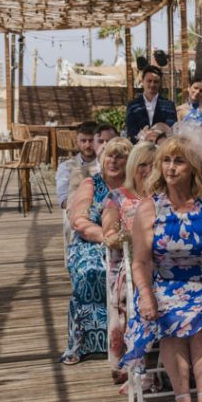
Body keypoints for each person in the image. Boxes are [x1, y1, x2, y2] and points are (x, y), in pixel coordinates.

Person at [122, 133, 202, 402]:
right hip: (163, 285)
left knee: (199, 320)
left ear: (194, 167)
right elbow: (141, 262)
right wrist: (145, 296)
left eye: (179, 161)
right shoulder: (149, 208)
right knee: (168, 320)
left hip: (201, 282)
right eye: (166, 161)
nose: (171, 168)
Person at [60, 137, 132, 365]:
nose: (113, 160)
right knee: (91, 271)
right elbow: (78, 220)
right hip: (90, 243)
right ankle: (84, 344)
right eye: (109, 155)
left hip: (127, 246)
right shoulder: (91, 183)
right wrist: (108, 237)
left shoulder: (134, 186)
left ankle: (126, 340)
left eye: (120, 156)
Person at [101, 141, 157, 386]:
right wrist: (129, 237)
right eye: (142, 165)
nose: (147, 170)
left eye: (153, 165)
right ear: (133, 166)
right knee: (136, 284)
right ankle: (139, 364)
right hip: (131, 265)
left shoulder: (167, 197)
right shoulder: (117, 198)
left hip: (165, 264)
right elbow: (109, 235)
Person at [125, 66, 177, 142]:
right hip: (139, 148)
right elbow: (131, 130)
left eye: (155, 82)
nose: (152, 85)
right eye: (149, 81)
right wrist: (142, 138)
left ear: (160, 83)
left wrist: (154, 136)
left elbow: (171, 128)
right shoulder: (133, 105)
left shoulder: (169, 105)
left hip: (161, 147)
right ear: (142, 81)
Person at [56, 121, 99, 208]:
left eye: (91, 141)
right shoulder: (66, 167)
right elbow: (63, 199)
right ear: (77, 142)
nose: (87, 145)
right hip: (75, 213)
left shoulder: (107, 164)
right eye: (83, 141)